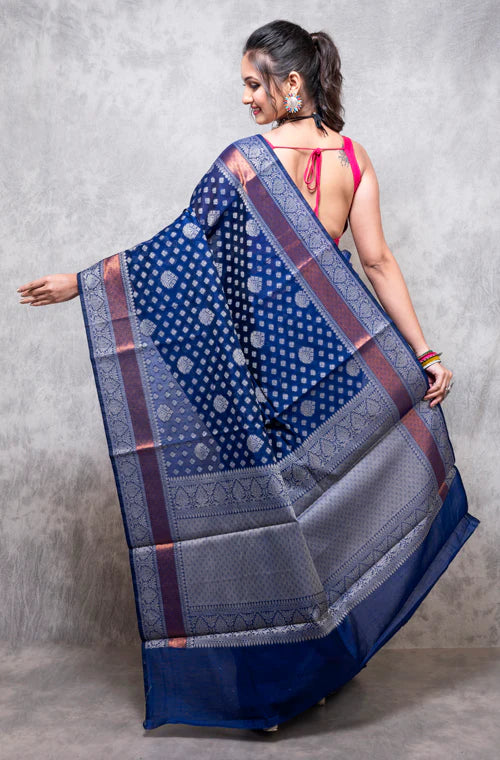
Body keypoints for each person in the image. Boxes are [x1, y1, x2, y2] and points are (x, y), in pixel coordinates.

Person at [16, 20, 477, 734]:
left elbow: (173, 252)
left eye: (253, 83)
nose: (245, 98)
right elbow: (378, 263)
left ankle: (274, 691)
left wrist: (84, 283)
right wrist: (424, 354)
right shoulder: (353, 158)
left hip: (257, 377)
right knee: (323, 519)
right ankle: (315, 675)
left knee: (268, 529)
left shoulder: (244, 163)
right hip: (334, 370)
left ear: (291, 83)